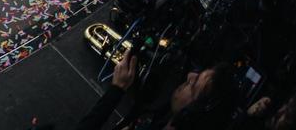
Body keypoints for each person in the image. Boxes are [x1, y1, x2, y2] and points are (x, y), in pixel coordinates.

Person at [77, 53, 234, 130]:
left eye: (194, 85)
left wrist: (117, 89)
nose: (190, 75)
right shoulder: (166, 117)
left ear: (189, 115)